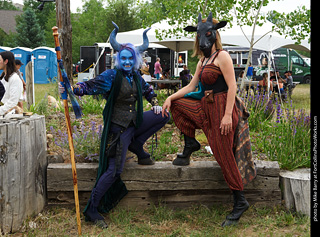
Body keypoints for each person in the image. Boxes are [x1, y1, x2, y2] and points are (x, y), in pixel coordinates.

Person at [66, 22, 170, 229]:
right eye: (123, 58)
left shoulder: (136, 76)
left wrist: (156, 104)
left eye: (130, 58)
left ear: (135, 60)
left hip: (134, 123)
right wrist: (72, 88)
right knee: (115, 170)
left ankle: (137, 146)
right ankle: (92, 210)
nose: (127, 61)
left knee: (164, 115)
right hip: (118, 130)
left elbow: (148, 91)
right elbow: (88, 86)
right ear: (118, 60)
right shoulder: (112, 77)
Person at [162, 12, 256, 227]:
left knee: (223, 156)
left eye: (207, 34)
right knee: (178, 105)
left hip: (222, 109)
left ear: (214, 35)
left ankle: (240, 202)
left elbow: (232, 86)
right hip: (206, 108)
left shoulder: (222, 56)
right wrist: (169, 97)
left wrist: (226, 116)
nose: (203, 39)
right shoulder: (203, 60)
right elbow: (191, 87)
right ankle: (190, 144)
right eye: (199, 35)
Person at [0, 51, 23, 116]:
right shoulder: (3, 77)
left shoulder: (15, 79)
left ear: (6, 61)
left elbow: (13, 102)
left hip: (9, 116)